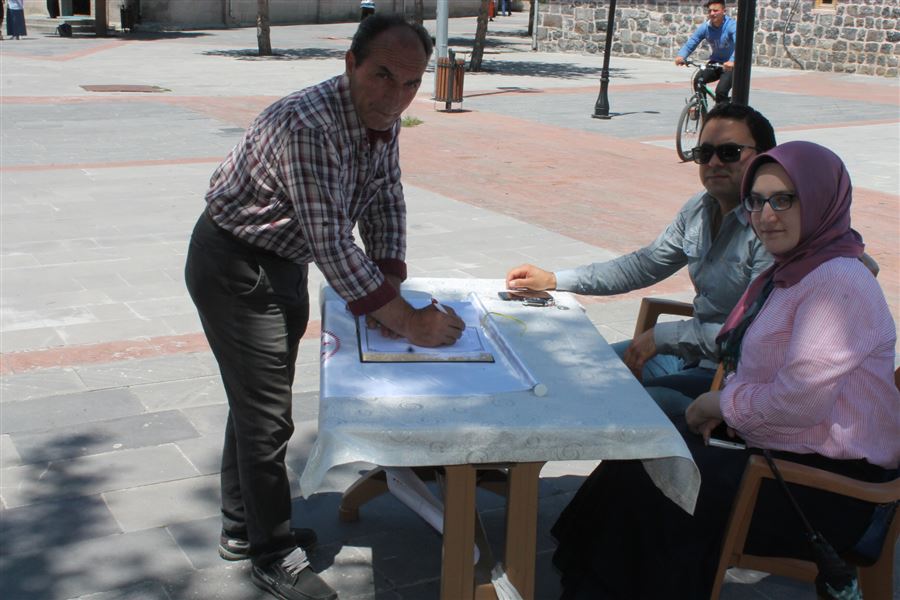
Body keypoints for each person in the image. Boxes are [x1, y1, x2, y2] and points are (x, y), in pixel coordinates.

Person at [184, 14, 464, 600]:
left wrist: (390, 284)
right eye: (383, 75)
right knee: (267, 415)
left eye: (411, 83)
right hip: (235, 264)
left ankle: (242, 525)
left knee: (254, 402)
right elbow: (332, 242)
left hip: (282, 261)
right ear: (350, 63)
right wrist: (407, 320)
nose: (396, 96)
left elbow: (385, 198)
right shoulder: (308, 125)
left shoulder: (380, 115)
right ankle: (271, 554)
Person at [551, 140, 900, 599]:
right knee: (643, 454)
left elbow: (796, 402)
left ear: (820, 200)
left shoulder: (836, 282)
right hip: (782, 450)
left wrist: (717, 404)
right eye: (756, 201)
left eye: (784, 199)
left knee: (656, 490)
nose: (766, 215)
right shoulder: (796, 269)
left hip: (829, 489)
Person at [506, 103, 776, 417]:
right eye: (704, 153)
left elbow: (752, 336)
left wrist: (663, 337)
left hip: (733, 377)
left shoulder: (771, 227)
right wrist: (555, 279)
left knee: (630, 402)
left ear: (765, 158)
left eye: (729, 152)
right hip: (690, 354)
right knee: (578, 372)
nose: (714, 162)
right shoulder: (700, 209)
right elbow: (644, 265)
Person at [675, 0, 736, 104]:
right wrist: (681, 55)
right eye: (710, 11)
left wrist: (733, 61)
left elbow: (740, 44)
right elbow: (693, 41)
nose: (712, 13)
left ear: (724, 11)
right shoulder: (706, 27)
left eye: (715, 10)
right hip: (716, 62)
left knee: (721, 91)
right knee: (698, 81)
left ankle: (722, 112)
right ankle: (702, 109)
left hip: (731, 65)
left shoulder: (731, 26)